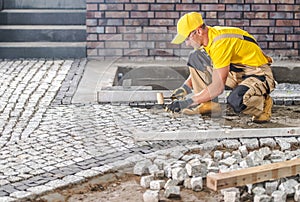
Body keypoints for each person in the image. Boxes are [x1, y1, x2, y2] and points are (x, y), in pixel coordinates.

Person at [166, 12, 276, 123]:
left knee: (236, 101)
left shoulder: (220, 43)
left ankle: (263, 105)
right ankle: (208, 104)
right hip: (237, 71)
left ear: (198, 31)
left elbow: (217, 88)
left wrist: (187, 102)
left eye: (187, 39)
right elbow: (203, 68)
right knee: (196, 57)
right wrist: (185, 88)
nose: (187, 44)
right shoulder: (209, 38)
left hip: (258, 74)